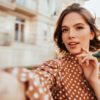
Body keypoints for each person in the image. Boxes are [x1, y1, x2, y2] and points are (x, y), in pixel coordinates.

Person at [3, 3, 100, 100]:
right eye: (65, 30)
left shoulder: (97, 68)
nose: (70, 35)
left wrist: (94, 81)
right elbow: (36, 80)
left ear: (91, 33)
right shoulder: (56, 66)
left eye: (79, 27)